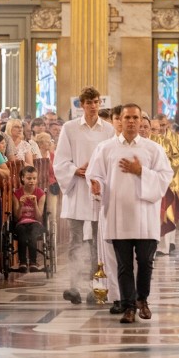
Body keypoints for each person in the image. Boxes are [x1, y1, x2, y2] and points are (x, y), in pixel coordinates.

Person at [87, 104, 173, 324]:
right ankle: (128, 306)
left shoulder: (153, 149)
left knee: (145, 261)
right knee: (123, 265)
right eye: (128, 117)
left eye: (136, 117)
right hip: (118, 215)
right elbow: (96, 175)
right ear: (120, 120)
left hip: (145, 215)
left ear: (141, 120)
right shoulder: (106, 148)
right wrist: (97, 186)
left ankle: (142, 299)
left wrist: (141, 171)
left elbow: (165, 177)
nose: (132, 121)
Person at [53, 86, 115, 305]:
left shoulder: (108, 130)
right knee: (75, 240)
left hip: (98, 189)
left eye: (96, 102)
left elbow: (111, 158)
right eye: (88, 103)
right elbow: (60, 160)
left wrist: (99, 176)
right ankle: (73, 286)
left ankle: (96, 286)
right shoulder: (70, 128)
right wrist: (75, 170)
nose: (92, 106)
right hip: (77, 189)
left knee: (98, 241)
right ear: (81, 105)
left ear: (100, 104)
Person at [150, 113, 179, 256]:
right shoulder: (151, 140)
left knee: (169, 212)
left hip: (171, 180)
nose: (161, 128)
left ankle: (169, 243)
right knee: (158, 213)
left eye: (163, 125)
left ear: (167, 124)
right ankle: (159, 244)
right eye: (158, 126)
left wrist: (167, 163)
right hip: (154, 181)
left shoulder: (174, 138)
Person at [13, 165, 46, 272]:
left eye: (34, 178)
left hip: (35, 222)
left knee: (33, 233)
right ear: (22, 178)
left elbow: (39, 217)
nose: (32, 181)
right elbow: (17, 216)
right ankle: (22, 262)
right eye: (29, 178)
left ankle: (33, 262)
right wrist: (21, 205)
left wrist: (35, 204)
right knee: (22, 232)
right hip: (21, 222)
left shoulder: (40, 193)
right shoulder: (16, 194)